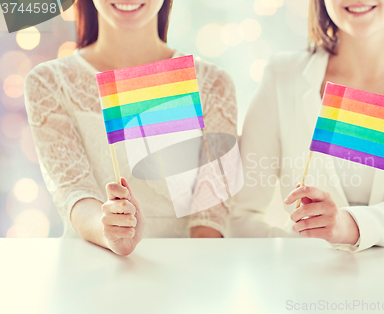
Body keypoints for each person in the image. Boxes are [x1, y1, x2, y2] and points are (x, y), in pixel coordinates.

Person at [231, 0, 384, 252]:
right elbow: (241, 213)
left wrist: (350, 226)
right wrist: (289, 255)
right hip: (306, 284)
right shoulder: (282, 75)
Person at [24, 0, 238, 255]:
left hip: (183, 275)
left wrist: (193, 279)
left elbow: (210, 217)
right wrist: (109, 231)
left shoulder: (212, 83)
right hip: (89, 270)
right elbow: (74, 192)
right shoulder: (49, 83)